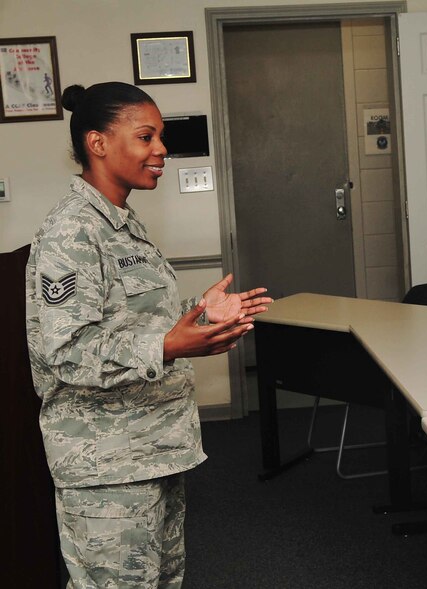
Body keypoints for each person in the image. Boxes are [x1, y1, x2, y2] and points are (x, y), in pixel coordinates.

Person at [26, 82, 273, 587]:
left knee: (160, 580)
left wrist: (199, 313)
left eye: (160, 137)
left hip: (150, 449)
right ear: (98, 143)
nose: (161, 149)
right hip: (106, 466)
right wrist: (167, 345)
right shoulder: (72, 231)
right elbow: (66, 351)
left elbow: (132, 321)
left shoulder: (121, 222)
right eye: (146, 137)